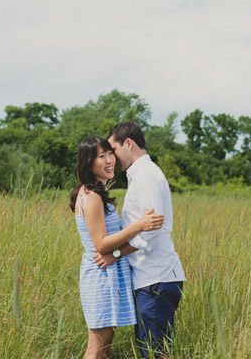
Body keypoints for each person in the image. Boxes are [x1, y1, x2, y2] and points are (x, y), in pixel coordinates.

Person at [93, 122, 186, 358]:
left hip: (155, 278)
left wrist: (114, 255)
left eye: (113, 150)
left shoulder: (145, 175)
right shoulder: (141, 174)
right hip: (151, 279)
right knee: (152, 349)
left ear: (128, 143)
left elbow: (151, 231)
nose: (112, 158)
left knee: (154, 353)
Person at [70, 136, 165, 359]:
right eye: (100, 156)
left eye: (110, 153)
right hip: (101, 274)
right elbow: (101, 244)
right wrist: (138, 226)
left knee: (102, 347)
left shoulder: (94, 193)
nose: (109, 160)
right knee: (97, 348)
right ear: (88, 163)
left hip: (107, 275)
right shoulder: (91, 196)